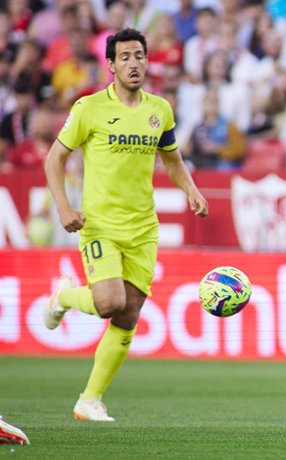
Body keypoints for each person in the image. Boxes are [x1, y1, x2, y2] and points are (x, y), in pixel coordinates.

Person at [43, 28, 209, 422]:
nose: (134, 64)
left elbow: (171, 158)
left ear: (148, 61)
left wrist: (192, 190)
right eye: (125, 57)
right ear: (111, 65)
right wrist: (64, 207)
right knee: (108, 303)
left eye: (139, 56)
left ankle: (90, 399)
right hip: (99, 224)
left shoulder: (160, 110)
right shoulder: (88, 109)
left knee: (128, 314)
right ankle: (64, 296)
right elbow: (54, 159)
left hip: (143, 228)